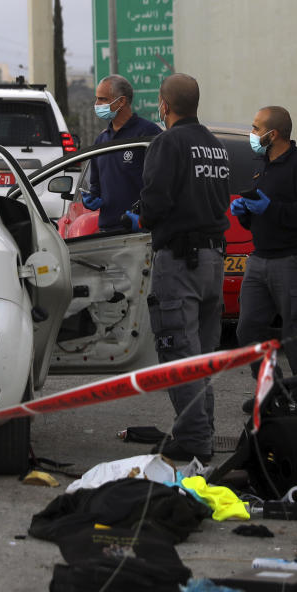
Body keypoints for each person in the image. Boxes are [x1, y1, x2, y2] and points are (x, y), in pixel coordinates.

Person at [126, 73, 231, 463]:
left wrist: (141, 216)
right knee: (200, 354)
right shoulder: (215, 146)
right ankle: (202, 430)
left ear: (164, 106)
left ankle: (195, 441)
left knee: (177, 353)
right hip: (212, 261)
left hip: (180, 263)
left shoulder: (166, 143)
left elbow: (154, 204)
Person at [232, 106, 297, 386]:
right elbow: (259, 218)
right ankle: (272, 392)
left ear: (274, 133)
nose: (252, 133)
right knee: (247, 331)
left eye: (256, 128)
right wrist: (245, 211)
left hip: (293, 261)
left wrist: (270, 209)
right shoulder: (262, 165)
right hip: (260, 260)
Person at [82, 75, 162, 231]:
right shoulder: (101, 140)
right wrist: (91, 198)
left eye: (103, 99)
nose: (97, 104)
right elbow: (96, 187)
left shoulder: (147, 133)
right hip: (108, 230)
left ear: (121, 101)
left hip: (139, 231)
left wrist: (145, 219)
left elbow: (161, 184)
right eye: (96, 99)